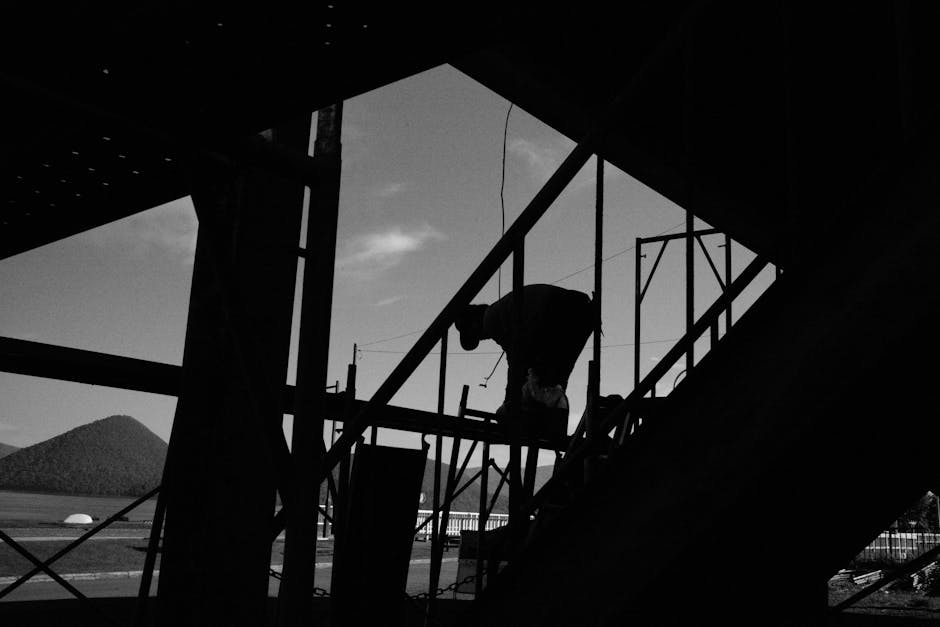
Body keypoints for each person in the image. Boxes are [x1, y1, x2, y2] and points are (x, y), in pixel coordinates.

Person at [454, 284, 597, 425]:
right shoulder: (503, 311)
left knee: (542, 381)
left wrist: (510, 401)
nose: (482, 339)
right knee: (553, 380)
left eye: (475, 336)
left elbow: (517, 360)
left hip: (556, 312)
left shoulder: (490, 319)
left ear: (473, 323)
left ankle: (543, 415)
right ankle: (551, 414)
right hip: (583, 310)